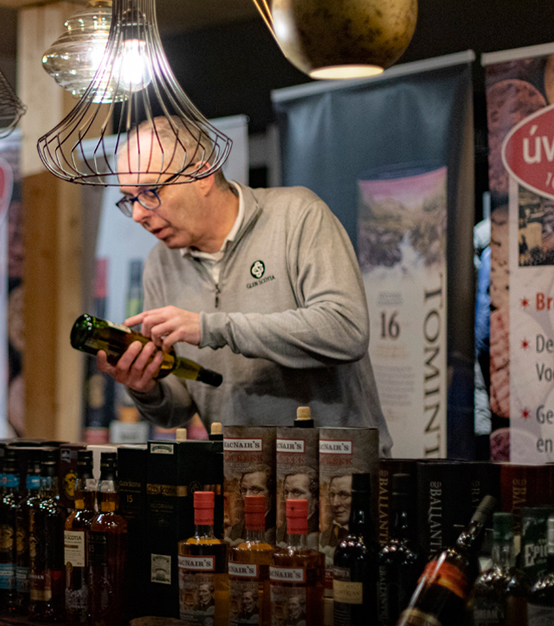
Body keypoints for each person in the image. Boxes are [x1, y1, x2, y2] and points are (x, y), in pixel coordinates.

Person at [95, 116, 392, 454]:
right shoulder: (160, 265)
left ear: (203, 175)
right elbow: (178, 409)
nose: (138, 214)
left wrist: (212, 327)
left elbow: (345, 330)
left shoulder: (296, 216)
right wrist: (145, 385)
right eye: (129, 199)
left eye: (150, 192)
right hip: (241, 478)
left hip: (338, 472)